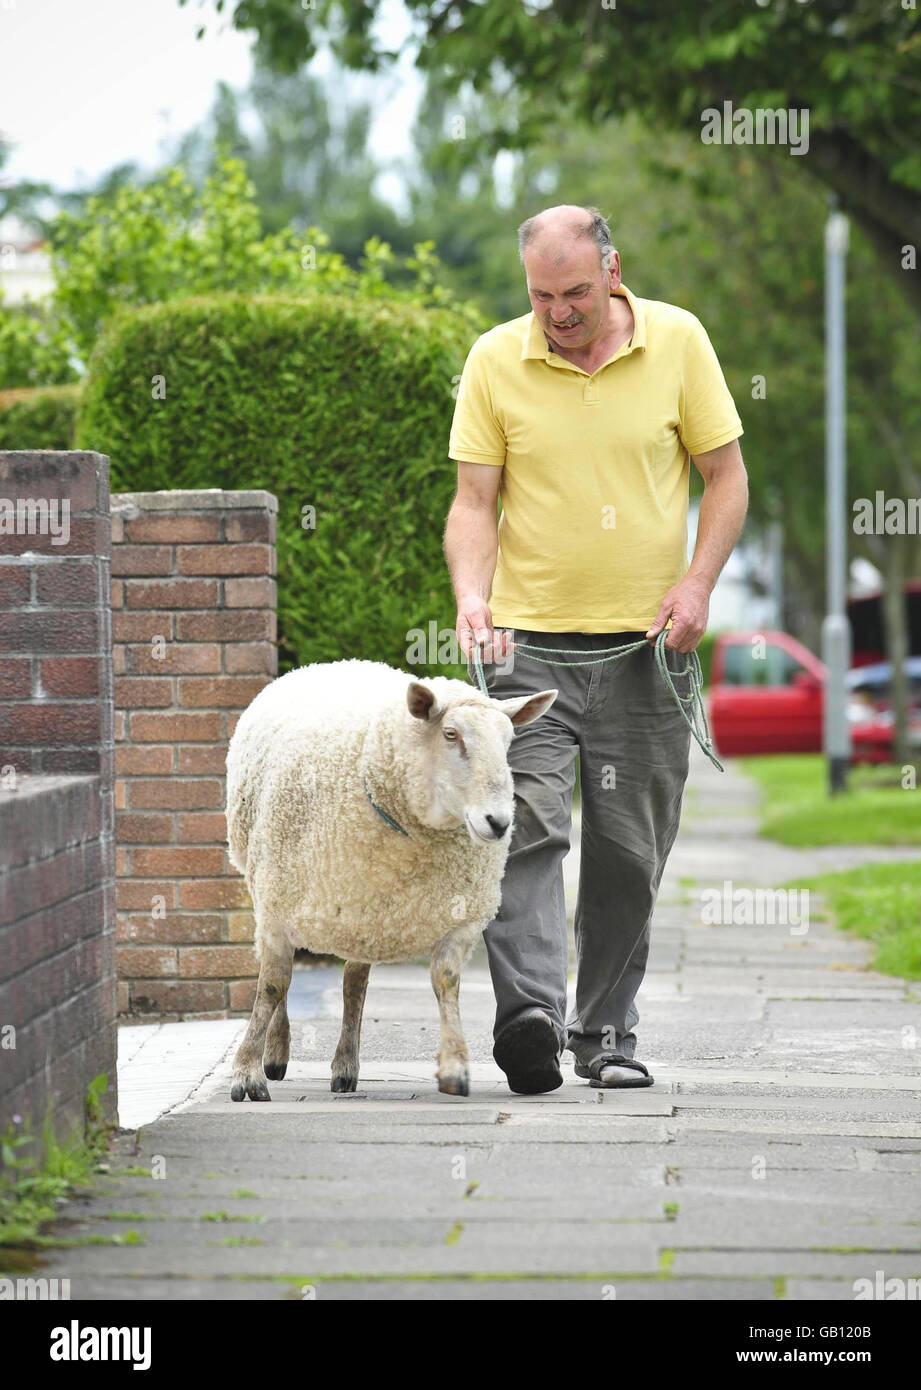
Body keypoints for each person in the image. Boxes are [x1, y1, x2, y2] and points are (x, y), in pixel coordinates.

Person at [443, 204, 748, 1093]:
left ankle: (606, 1032)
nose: (558, 312)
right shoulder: (496, 359)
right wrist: (472, 595)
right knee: (524, 828)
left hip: (647, 652)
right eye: (541, 294)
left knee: (626, 848)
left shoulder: (678, 341)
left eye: (575, 291)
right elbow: (472, 501)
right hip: (527, 652)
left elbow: (724, 478)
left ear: (612, 270)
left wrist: (697, 586)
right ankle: (530, 1017)